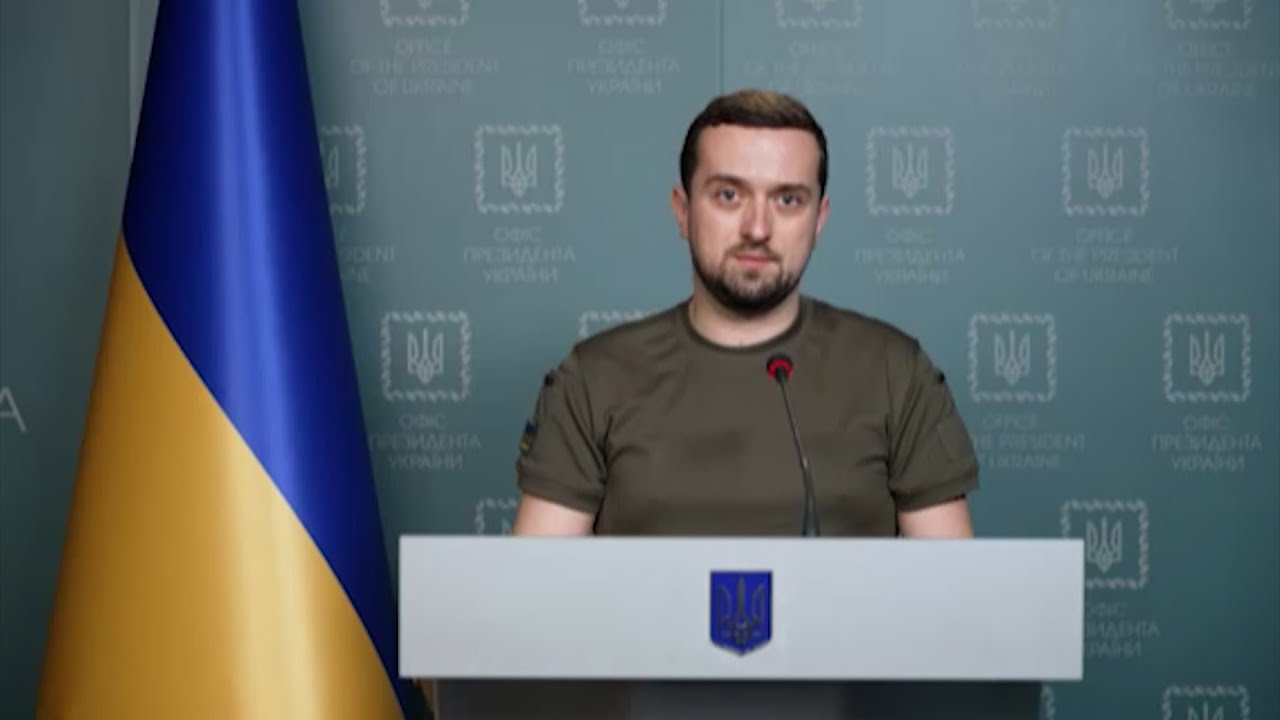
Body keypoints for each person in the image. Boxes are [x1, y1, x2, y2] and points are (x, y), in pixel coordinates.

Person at [510, 89, 979, 538]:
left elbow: (952, 582)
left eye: (788, 200)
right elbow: (537, 581)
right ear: (682, 211)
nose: (757, 228)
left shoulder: (896, 372)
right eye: (729, 196)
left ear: (819, 220)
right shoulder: (593, 378)